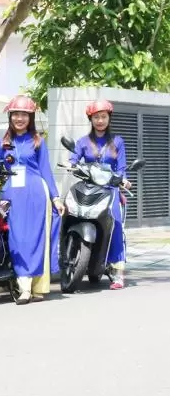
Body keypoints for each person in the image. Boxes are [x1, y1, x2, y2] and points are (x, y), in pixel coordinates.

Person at [0, 95, 62, 304]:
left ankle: (34, 287)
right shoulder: (2, 143)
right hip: (12, 195)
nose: (19, 118)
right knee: (17, 239)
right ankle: (24, 287)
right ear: (10, 117)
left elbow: (46, 171)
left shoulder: (38, 141)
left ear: (30, 117)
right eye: (15, 114)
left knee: (36, 238)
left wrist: (56, 197)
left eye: (24, 114)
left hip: (36, 193)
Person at [68, 99, 131, 289]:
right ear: (91, 119)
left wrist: (124, 180)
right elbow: (73, 158)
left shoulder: (117, 142)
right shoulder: (82, 142)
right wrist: (71, 164)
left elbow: (121, 168)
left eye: (103, 117)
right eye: (96, 117)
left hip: (110, 190)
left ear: (109, 118)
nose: (100, 121)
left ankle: (118, 271)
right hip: (88, 187)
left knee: (116, 225)